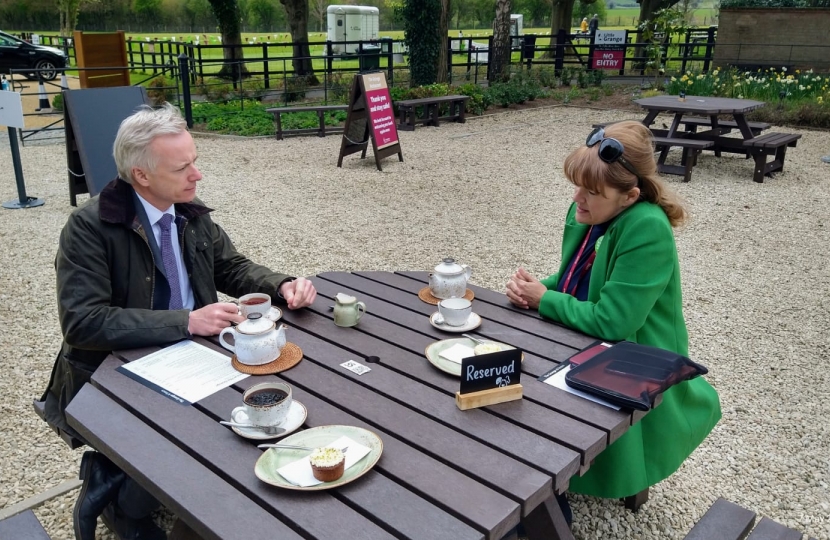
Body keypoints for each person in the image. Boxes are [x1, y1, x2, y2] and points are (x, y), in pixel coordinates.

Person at [38, 103, 317, 540]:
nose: (197, 175)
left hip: (193, 350)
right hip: (115, 367)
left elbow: (232, 267)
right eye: (183, 167)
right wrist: (186, 321)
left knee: (258, 411)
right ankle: (123, 499)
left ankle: (141, 481)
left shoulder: (187, 211)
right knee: (193, 435)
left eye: (195, 162)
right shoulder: (89, 227)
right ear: (141, 176)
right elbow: (82, 322)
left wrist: (282, 285)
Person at [506, 121, 721, 522]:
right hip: (598, 339)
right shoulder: (590, 210)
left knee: (532, 392)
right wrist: (538, 288)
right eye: (577, 186)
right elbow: (575, 275)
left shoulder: (647, 228)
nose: (577, 199)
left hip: (636, 357)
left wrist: (546, 300)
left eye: (591, 191)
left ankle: (544, 491)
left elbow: (613, 322)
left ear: (630, 196)